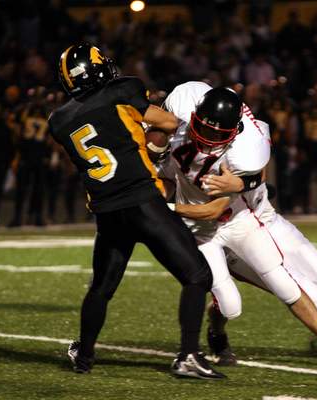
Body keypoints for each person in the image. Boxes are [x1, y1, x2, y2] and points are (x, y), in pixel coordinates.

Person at [159, 82, 317, 368]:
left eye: (217, 134)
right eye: (203, 128)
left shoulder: (243, 150)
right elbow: (158, 146)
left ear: (234, 131)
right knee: (230, 306)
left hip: (238, 220)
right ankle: (217, 330)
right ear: (193, 116)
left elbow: (215, 208)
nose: (207, 138)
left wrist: (168, 207)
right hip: (201, 235)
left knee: (284, 282)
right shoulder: (181, 118)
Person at [47, 43, 224, 379]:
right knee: (198, 276)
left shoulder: (59, 120)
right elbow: (169, 122)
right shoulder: (123, 90)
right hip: (143, 202)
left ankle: (84, 356)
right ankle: (188, 355)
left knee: (101, 288)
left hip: (107, 213)